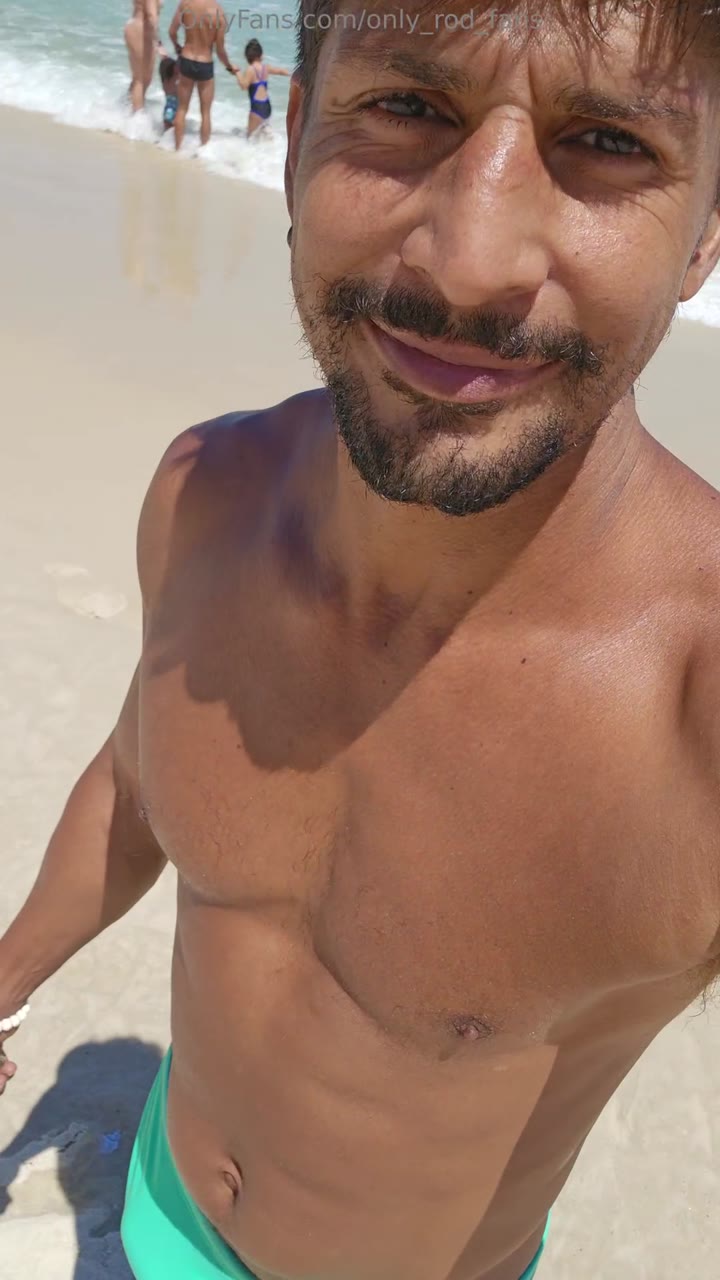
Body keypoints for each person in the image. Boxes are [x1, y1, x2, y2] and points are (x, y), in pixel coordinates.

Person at [2, 3, 720, 1280]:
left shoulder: (696, 702)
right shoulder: (205, 496)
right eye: (405, 107)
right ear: (293, 149)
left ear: (708, 230)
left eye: (607, 141)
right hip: (160, 1201)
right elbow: (137, 779)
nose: (469, 264)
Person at [167, 0, 238, 151]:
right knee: (205, 113)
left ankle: (177, 149)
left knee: (181, 109)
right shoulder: (218, 12)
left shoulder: (185, 4)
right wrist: (229, 67)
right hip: (205, 63)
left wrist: (178, 47)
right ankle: (203, 152)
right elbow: (220, 50)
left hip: (187, 58)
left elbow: (172, 32)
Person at [234, 39, 290, 138]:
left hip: (256, 108)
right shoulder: (266, 68)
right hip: (267, 107)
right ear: (261, 55)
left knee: (250, 139)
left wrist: (237, 72)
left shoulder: (250, 69)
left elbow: (244, 86)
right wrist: (292, 74)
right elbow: (281, 71)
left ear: (247, 56)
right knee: (263, 138)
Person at [125, 0, 161, 114]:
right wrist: (158, 42)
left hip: (134, 25)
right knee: (141, 80)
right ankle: (137, 117)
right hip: (142, 29)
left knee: (138, 78)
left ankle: (125, 109)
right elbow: (151, 15)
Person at [159, 56, 179, 133]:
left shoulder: (166, 82)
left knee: (168, 128)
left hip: (169, 107)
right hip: (172, 108)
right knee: (171, 128)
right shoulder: (173, 81)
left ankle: (164, 138)